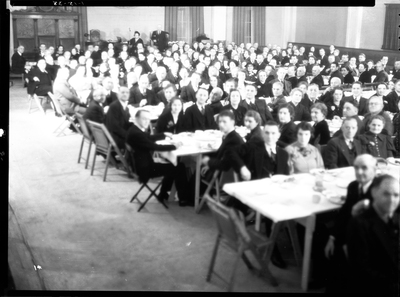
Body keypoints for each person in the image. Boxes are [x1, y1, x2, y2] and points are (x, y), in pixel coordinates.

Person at [324, 154, 377, 294]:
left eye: (364, 168)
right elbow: (345, 212)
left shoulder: (382, 189)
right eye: (356, 168)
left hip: (373, 239)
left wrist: (352, 244)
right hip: (353, 231)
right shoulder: (353, 186)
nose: (359, 172)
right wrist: (332, 237)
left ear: (375, 169)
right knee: (329, 243)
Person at [346, 174, 399, 297]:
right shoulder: (359, 224)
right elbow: (362, 270)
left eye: (396, 195)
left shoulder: (396, 218)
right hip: (379, 288)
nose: (392, 200)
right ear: (374, 192)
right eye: (386, 194)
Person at [126, 109, 193, 206]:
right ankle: (183, 199)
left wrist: (163, 134)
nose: (147, 121)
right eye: (144, 119)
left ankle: (163, 193)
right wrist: (175, 146)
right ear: (136, 119)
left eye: (148, 119)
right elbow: (155, 147)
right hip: (144, 170)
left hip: (141, 165)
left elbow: (148, 139)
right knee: (179, 167)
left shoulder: (134, 129)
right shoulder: (136, 133)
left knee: (172, 165)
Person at [200, 110, 244, 176]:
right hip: (217, 170)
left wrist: (208, 162)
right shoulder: (228, 136)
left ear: (232, 122)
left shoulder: (233, 140)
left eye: (224, 122)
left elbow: (225, 165)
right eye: (219, 122)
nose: (221, 124)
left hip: (223, 176)